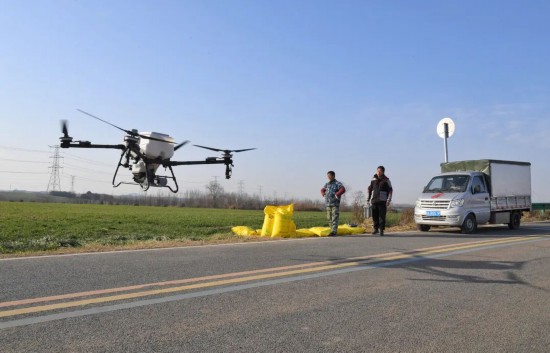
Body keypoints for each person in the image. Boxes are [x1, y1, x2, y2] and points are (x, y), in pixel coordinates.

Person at [367, 166, 393, 236]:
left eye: (380, 171)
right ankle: (376, 229)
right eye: (377, 171)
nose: (378, 172)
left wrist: (388, 200)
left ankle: (381, 230)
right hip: (374, 200)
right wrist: (368, 199)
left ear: (383, 172)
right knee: (374, 216)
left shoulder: (386, 180)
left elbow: (390, 190)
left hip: (382, 201)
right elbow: (370, 189)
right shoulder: (373, 179)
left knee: (382, 216)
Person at [320, 171, 346, 236]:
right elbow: (322, 189)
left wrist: (337, 194)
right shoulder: (327, 184)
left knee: (334, 217)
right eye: (327, 176)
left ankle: (334, 231)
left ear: (333, 176)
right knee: (329, 217)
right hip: (328, 204)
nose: (328, 177)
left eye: (329, 176)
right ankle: (332, 230)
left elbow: (343, 189)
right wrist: (323, 193)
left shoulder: (337, 183)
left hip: (335, 204)